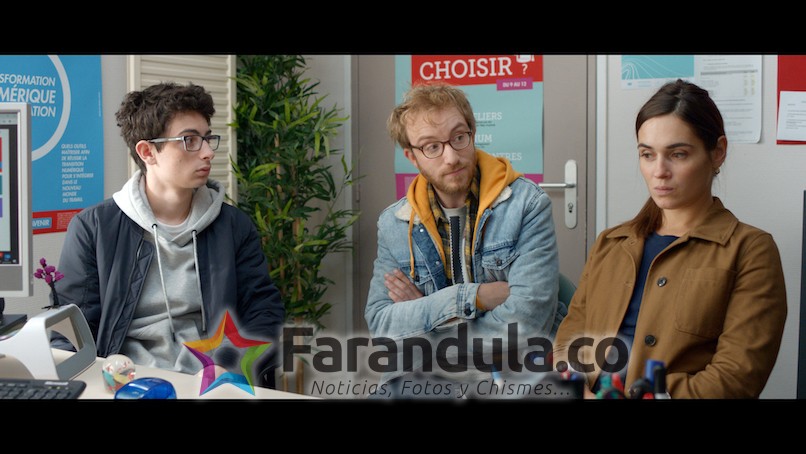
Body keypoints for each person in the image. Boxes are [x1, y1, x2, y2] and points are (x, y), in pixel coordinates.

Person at [552, 79, 787, 399]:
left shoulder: (750, 250)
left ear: (718, 152)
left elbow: (737, 378)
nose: (659, 171)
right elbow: (569, 341)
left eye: (677, 154)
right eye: (647, 155)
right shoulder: (610, 244)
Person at [51, 82, 285, 388]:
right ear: (147, 151)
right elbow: (70, 332)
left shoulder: (233, 226)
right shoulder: (94, 228)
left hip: (211, 382)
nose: (208, 152)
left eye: (207, 138)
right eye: (190, 140)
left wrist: (229, 366)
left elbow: (264, 312)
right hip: (125, 383)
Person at [364, 82, 564, 398]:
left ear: (472, 133)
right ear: (412, 157)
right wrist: (473, 298)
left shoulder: (525, 204)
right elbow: (382, 326)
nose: (451, 157)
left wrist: (424, 323)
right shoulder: (394, 223)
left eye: (459, 138)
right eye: (432, 147)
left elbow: (527, 321)